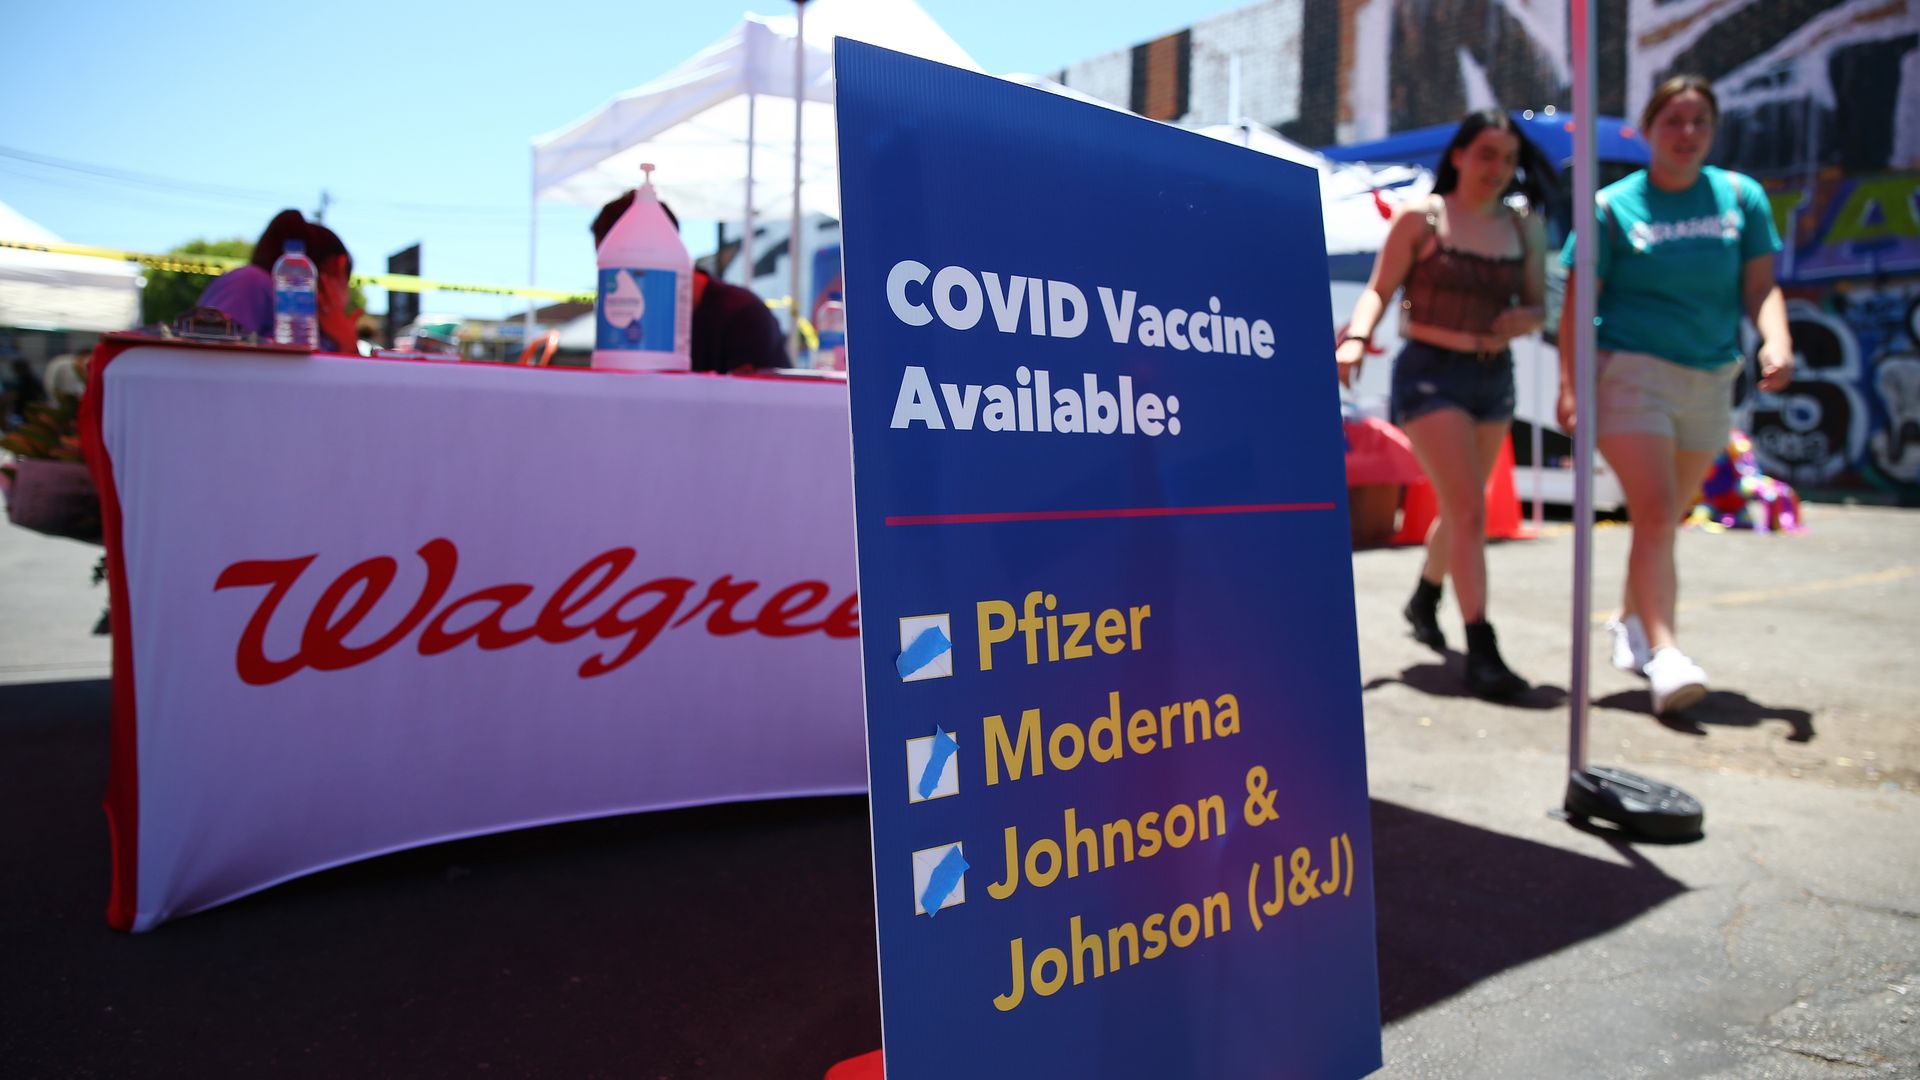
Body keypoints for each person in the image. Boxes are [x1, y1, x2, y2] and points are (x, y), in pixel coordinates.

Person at [1556, 75, 1793, 716]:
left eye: (1699, 122)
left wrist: (1776, 341)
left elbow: (1761, 287)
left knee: (1663, 519)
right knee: (1659, 513)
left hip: (1711, 376)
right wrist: (1571, 387)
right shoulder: (1611, 208)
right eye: (1673, 121)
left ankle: (1629, 618)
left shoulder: (1740, 197)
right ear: (1647, 130)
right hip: (1630, 374)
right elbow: (1576, 306)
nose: (1687, 134)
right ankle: (1665, 655)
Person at [1336, 109, 1551, 699]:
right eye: (1487, 154)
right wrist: (1356, 338)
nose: (1498, 168)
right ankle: (1482, 649)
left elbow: (1539, 305)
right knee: (1469, 510)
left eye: (1508, 159)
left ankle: (1425, 597)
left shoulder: (1523, 226)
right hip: (1432, 375)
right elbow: (1380, 289)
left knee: (1463, 509)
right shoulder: (1423, 217)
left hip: (1494, 377)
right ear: (1458, 155)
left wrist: (1526, 318)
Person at [590, 192, 789, 373]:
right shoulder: (632, 329)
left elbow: (764, 396)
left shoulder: (743, 314)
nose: (617, 283)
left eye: (620, 267)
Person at [195, 210, 360, 352]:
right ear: (338, 266)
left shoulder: (324, 329)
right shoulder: (250, 281)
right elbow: (208, 358)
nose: (347, 299)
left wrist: (346, 342)